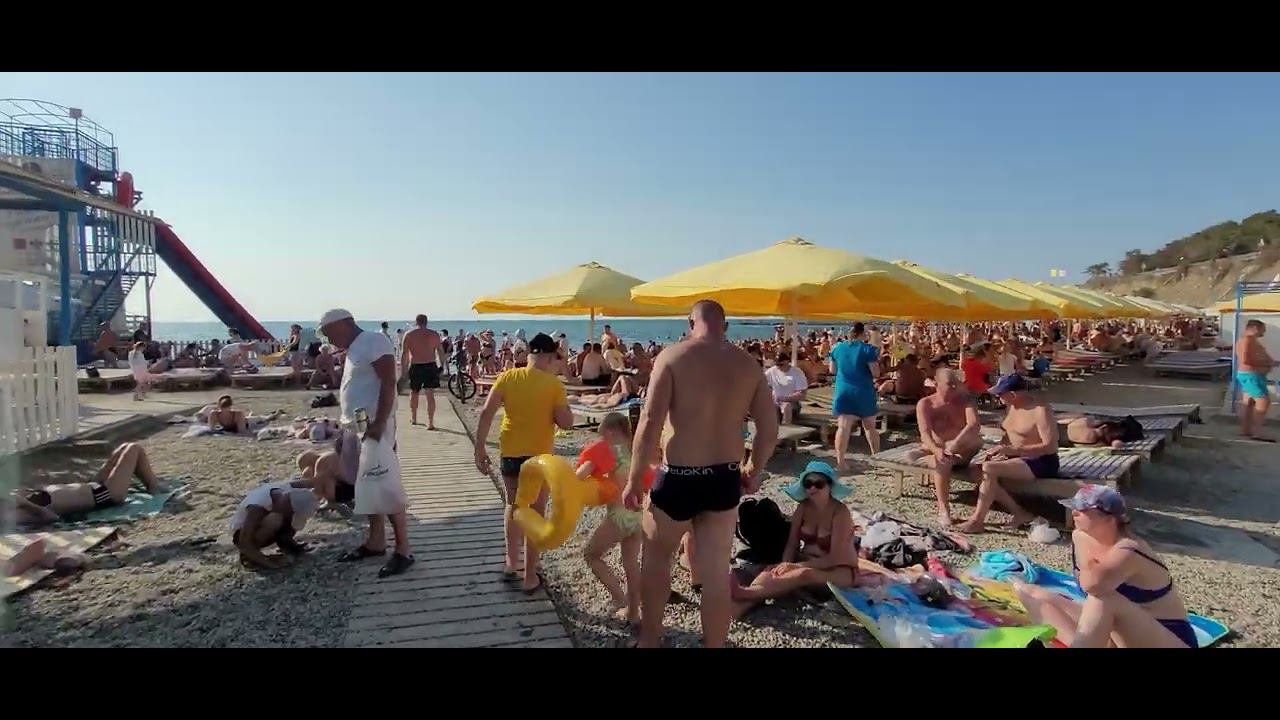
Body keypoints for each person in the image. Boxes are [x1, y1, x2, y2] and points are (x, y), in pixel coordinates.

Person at [623, 300, 778, 648]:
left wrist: (633, 479)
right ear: (726, 326)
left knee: (657, 560)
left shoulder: (672, 357)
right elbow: (769, 431)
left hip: (678, 475)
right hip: (723, 478)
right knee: (716, 575)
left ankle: (650, 640)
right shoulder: (747, 364)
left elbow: (649, 423)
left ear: (690, 323)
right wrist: (754, 470)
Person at [1015, 485, 1195, 648]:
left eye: (1083, 509)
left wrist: (1084, 548)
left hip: (1166, 638)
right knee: (1027, 591)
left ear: (1109, 519)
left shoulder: (1128, 550)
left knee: (1102, 599)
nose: (1074, 513)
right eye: (1074, 507)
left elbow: (1092, 585)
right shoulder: (1081, 536)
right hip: (1119, 634)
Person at [474, 333, 573, 593]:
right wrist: (564, 410)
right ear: (549, 358)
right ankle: (530, 576)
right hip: (538, 459)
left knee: (513, 506)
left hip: (511, 453)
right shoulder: (553, 385)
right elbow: (566, 423)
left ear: (528, 355)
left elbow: (486, 413)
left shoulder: (507, 377)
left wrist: (479, 448)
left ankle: (510, 564)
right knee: (535, 513)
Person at [322, 309, 414, 578]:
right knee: (366, 485)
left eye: (328, 332)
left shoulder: (373, 340)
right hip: (358, 426)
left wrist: (380, 423)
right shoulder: (354, 348)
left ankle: (403, 550)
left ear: (344, 324)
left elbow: (388, 381)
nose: (328, 339)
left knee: (384, 483)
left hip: (373, 426)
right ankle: (376, 542)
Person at [730, 461, 857, 617]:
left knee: (803, 574)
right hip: (806, 561)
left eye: (818, 484)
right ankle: (744, 602)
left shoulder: (840, 513)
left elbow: (834, 558)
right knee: (772, 570)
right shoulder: (803, 508)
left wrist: (794, 566)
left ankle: (743, 594)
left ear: (829, 486)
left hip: (840, 569)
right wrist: (784, 565)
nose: (812, 488)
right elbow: (792, 544)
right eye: (808, 484)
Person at [577, 412, 654, 626]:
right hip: (637, 516)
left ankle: (619, 598)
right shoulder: (635, 450)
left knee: (591, 554)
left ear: (610, 432)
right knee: (631, 564)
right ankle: (634, 613)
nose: (602, 439)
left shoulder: (606, 449)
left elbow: (579, 476)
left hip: (618, 517)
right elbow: (649, 483)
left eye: (603, 434)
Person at [957, 374, 1060, 533]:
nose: (998, 398)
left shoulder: (1040, 411)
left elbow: (1050, 446)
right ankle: (1019, 513)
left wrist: (1013, 450)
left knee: (990, 468)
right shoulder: (1011, 407)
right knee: (975, 470)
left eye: (1000, 394)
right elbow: (1009, 435)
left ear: (1013, 394)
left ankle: (977, 520)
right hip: (1016, 457)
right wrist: (999, 449)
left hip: (1041, 460)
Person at [14, 443, 164, 527]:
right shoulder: (10, 514)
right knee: (134, 448)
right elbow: (51, 517)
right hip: (105, 495)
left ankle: (153, 485)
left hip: (95, 485)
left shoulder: (10, 500)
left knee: (124, 447)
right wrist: (26, 503)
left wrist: (22, 495)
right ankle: (155, 488)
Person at [916, 368, 983, 526]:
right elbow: (924, 432)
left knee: (976, 442)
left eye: (955, 383)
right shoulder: (926, 404)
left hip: (964, 449)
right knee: (942, 461)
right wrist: (936, 449)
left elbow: (974, 425)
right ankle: (943, 509)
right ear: (936, 384)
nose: (953, 387)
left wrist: (955, 444)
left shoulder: (965, 401)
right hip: (940, 449)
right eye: (949, 384)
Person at [230, 479, 320, 569]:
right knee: (275, 520)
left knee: (287, 520)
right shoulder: (257, 507)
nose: (290, 514)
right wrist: (268, 562)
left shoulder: (286, 490)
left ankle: (286, 545)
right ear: (286, 504)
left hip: (266, 523)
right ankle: (251, 556)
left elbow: (313, 481)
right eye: (290, 512)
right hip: (241, 535)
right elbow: (244, 541)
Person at [829, 322, 881, 470]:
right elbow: (876, 373)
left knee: (843, 427)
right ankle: (877, 459)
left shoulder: (837, 348)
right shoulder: (868, 350)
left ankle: (840, 463)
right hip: (863, 390)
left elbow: (832, 370)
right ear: (863, 334)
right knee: (870, 427)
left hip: (843, 390)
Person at [401, 314, 445, 429]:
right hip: (430, 365)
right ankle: (430, 422)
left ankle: (414, 418)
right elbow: (440, 351)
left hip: (416, 365)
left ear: (416, 322)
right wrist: (442, 365)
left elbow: (404, 353)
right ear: (426, 322)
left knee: (414, 392)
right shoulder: (434, 334)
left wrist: (404, 370)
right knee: (430, 394)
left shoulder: (409, 334)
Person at [1235, 319, 1275, 442]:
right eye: (1263, 329)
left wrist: (1270, 362)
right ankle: (1257, 433)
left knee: (1249, 402)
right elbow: (1245, 360)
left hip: (1252, 375)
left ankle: (1246, 430)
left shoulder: (1250, 340)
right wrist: (1266, 363)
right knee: (1263, 401)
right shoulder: (1246, 340)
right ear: (1255, 328)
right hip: (1251, 375)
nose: (1264, 332)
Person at [765, 352, 808, 425]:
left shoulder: (797, 372)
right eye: (777, 365)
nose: (779, 367)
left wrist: (785, 398)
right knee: (771, 407)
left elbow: (802, 394)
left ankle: (787, 427)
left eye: (781, 365)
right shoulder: (771, 371)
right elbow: (761, 382)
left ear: (787, 361)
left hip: (792, 401)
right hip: (776, 401)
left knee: (786, 406)